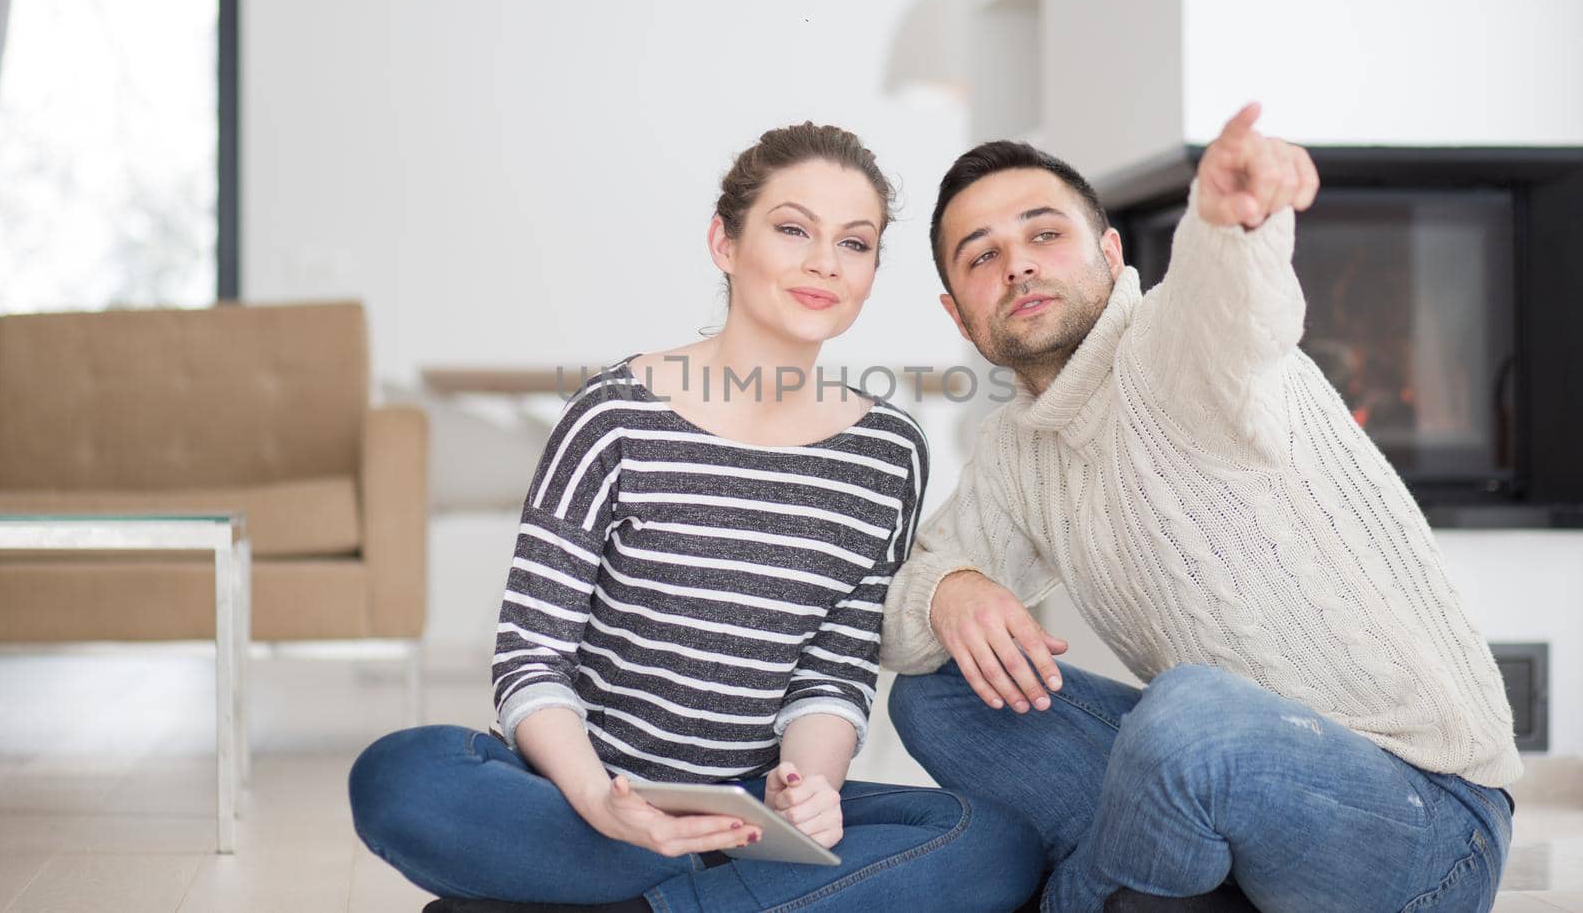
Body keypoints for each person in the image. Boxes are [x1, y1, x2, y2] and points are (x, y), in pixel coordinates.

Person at [349, 122, 1045, 913]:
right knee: (398, 774)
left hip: (748, 813)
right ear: (725, 242)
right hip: (586, 796)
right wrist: (600, 798)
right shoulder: (613, 415)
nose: (824, 261)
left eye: (855, 244)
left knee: (992, 839)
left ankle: (633, 901)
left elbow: (832, 672)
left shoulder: (888, 451)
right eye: (792, 230)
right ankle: (700, 891)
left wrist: (810, 789)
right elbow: (531, 657)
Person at [880, 104, 1521, 913]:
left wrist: (1227, 222)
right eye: (983, 256)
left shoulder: (1167, 345)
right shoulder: (1016, 450)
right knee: (936, 692)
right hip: (1240, 795)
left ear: (1111, 254)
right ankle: (1168, 884)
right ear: (959, 315)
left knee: (1189, 716)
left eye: (1045, 235)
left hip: (1427, 824)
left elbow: (1231, 307)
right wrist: (949, 588)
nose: (1018, 265)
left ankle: (1096, 895)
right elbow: (901, 618)